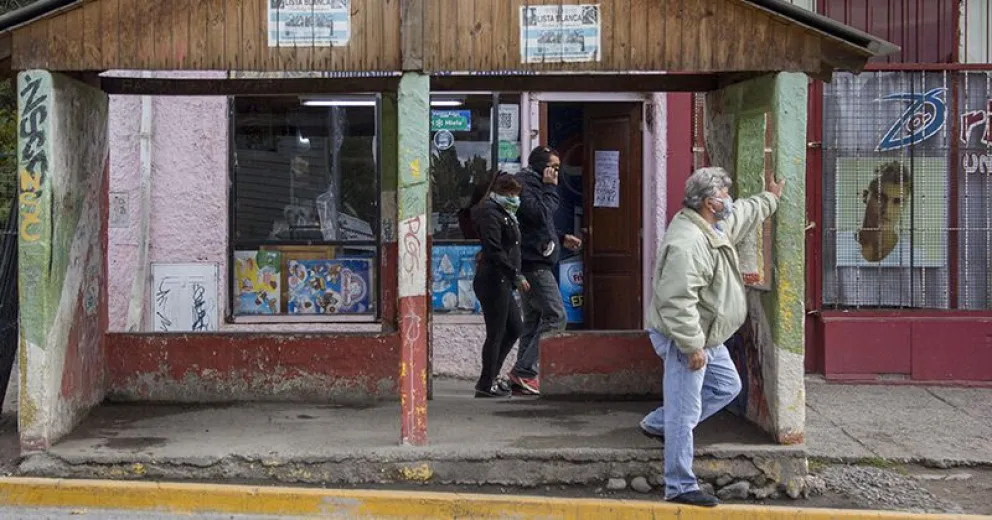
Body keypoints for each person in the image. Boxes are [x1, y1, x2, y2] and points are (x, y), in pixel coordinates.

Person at [640, 166, 784, 507]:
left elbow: (744, 214)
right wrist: (691, 347)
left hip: (707, 334)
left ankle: (657, 424)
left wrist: (771, 198)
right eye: (723, 196)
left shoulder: (711, 226)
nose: (729, 201)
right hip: (686, 337)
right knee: (684, 412)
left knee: (726, 386)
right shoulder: (688, 243)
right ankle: (679, 485)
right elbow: (676, 301)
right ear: (709, 202)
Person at [511, 146, 582, 396]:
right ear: (543, 166)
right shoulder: (526, 184)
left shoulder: (533, 184)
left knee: (532, 319)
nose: (557, 173)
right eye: (554, 167)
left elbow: (538, 226)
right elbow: (539, 214)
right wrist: (550, 188)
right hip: (533, 264)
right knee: (556, 316)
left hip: (534, 259)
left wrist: (560, 238)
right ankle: (525, 371)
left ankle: (521, 377)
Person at [471, 173, 531, 398]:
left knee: (515, 328)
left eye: (517, 195)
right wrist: (516, 274)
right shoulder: (489, 213)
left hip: (503, 279)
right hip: (494, 279)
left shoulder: (506, 213)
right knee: (496, 333)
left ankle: (492, 377)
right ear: (500, 193)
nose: (515, 199)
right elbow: (494, 249)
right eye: (511, 194)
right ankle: (486, 384)